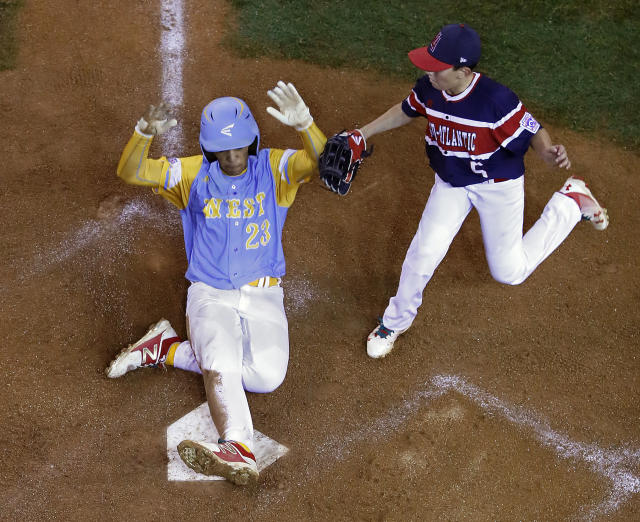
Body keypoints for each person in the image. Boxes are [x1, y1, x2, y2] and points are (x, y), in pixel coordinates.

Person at [105, 81, 327, 485]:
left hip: (264, 293)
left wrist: (306, 124)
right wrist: (143, 134)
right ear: (209, 150)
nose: (232, 156)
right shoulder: (191, 175)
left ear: (253, 143)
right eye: (223, 150)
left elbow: (318, 163)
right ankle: (237, 446)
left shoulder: (274, 169)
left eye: (240, 147)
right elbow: (132, 172)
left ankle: (167, 349)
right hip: (210, 293)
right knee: (222, 360)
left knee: (266, 378)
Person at [357, 23, 608, 359]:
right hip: (450, 184)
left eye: (438, 67)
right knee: (423, 253)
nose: (429, 72)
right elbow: (407, 109)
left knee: (509, 272)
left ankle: (570, 201)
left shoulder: (495, 101)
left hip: (497, 187)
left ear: (462, 71)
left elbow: (533, 130)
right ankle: (394, 321)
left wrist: (548, 152)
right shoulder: (430, 88)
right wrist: (363, 132)